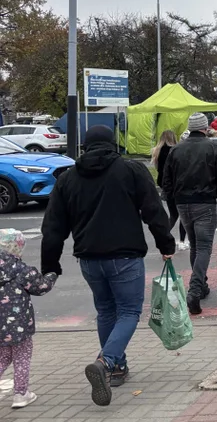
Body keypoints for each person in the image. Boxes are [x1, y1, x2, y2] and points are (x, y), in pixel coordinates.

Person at [42, 125, 175, 405]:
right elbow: (153, 210)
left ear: (85, 147)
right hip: (125, 256)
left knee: (105, 311)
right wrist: (166, 245)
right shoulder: (131, 171)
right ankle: (106, 363)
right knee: (128, 311)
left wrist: (50, 264)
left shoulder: (68, 179)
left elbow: (53, 226)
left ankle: (117, 368)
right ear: (113, 144)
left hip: (89, 258)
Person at [162, 112, 217, 316]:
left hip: (183, 203)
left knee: (195, 245)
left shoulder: (176, 150)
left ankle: (201, 285)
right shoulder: (213, 148)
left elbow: (166, 178)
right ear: (204, 128)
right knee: (203, 247)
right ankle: (195, 289)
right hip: (205, 202)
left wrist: (172, 197)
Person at [0, 229, 57, 409]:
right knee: (22, 356)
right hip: (19, 326)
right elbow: (41, 287)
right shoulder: (21, 269)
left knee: (2, 358)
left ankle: (21, 393)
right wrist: (52, 275)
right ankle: (21, 393)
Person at [153, 129, 187, 251]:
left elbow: (158, 170)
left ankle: (164, 235)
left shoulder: (157, 151)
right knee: (183, 213)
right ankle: (182, 240)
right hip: (177, 185)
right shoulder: (175, 151)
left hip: (165, 186)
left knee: (173, 214)